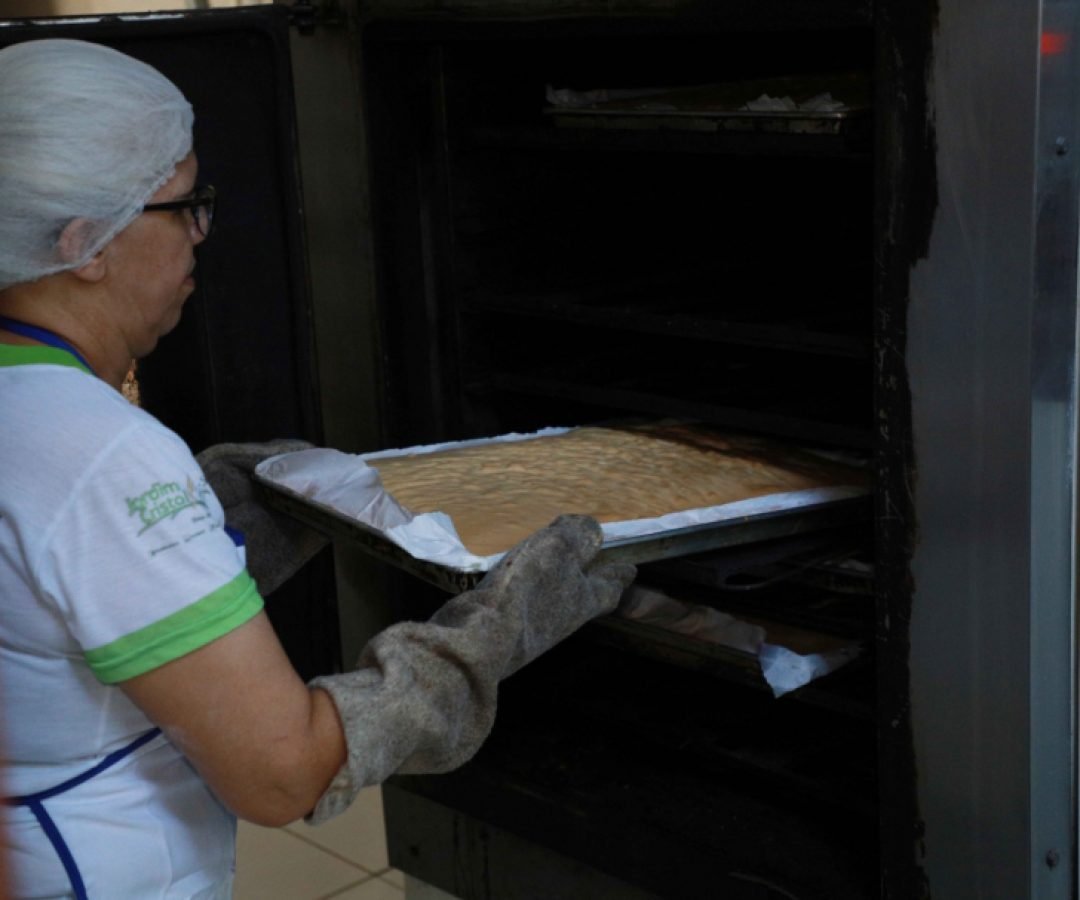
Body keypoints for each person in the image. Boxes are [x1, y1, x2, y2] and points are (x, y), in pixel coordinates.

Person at [0, 39, 635, 898]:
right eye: (187, 205)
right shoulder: (99, 452)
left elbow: (46, 610)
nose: (199, 236)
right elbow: (280, 771)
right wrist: (491, 634)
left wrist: (211, 533)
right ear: (85, 242)